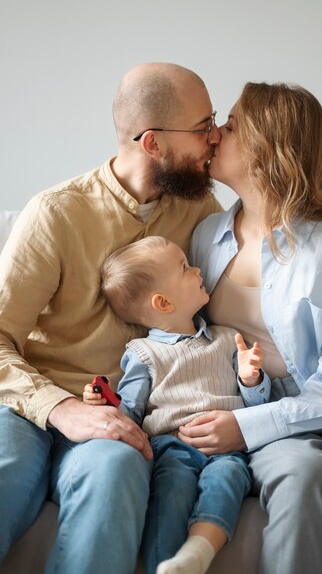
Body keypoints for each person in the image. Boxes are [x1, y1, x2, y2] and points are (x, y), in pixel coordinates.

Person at [178, 82, 322, 574]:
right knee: (299, 476)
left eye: (231, 125)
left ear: (267, 146)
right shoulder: (205, 236)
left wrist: (248, 427)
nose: (216, 135)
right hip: (265, 402)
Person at [0, 62, 223, 574]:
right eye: (202, 126)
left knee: (119, 467)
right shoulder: (56, 213)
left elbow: (242, 312)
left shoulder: (203, 213)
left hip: (121, 421)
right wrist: (60, 408)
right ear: (153, 143)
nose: (214, 137)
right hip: (30, 406)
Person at [83, 235, 269, 574]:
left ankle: (198, 550)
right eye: (185, 268)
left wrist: (250, 378)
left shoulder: (228, 338)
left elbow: (258, 404)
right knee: (170, 495)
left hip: (228, 446)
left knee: (229, 477)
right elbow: (130, 414)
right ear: (163, 303)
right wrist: (102, 405)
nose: (197, 269)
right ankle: (164, 564)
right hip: (171, 446)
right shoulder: (143, 354)